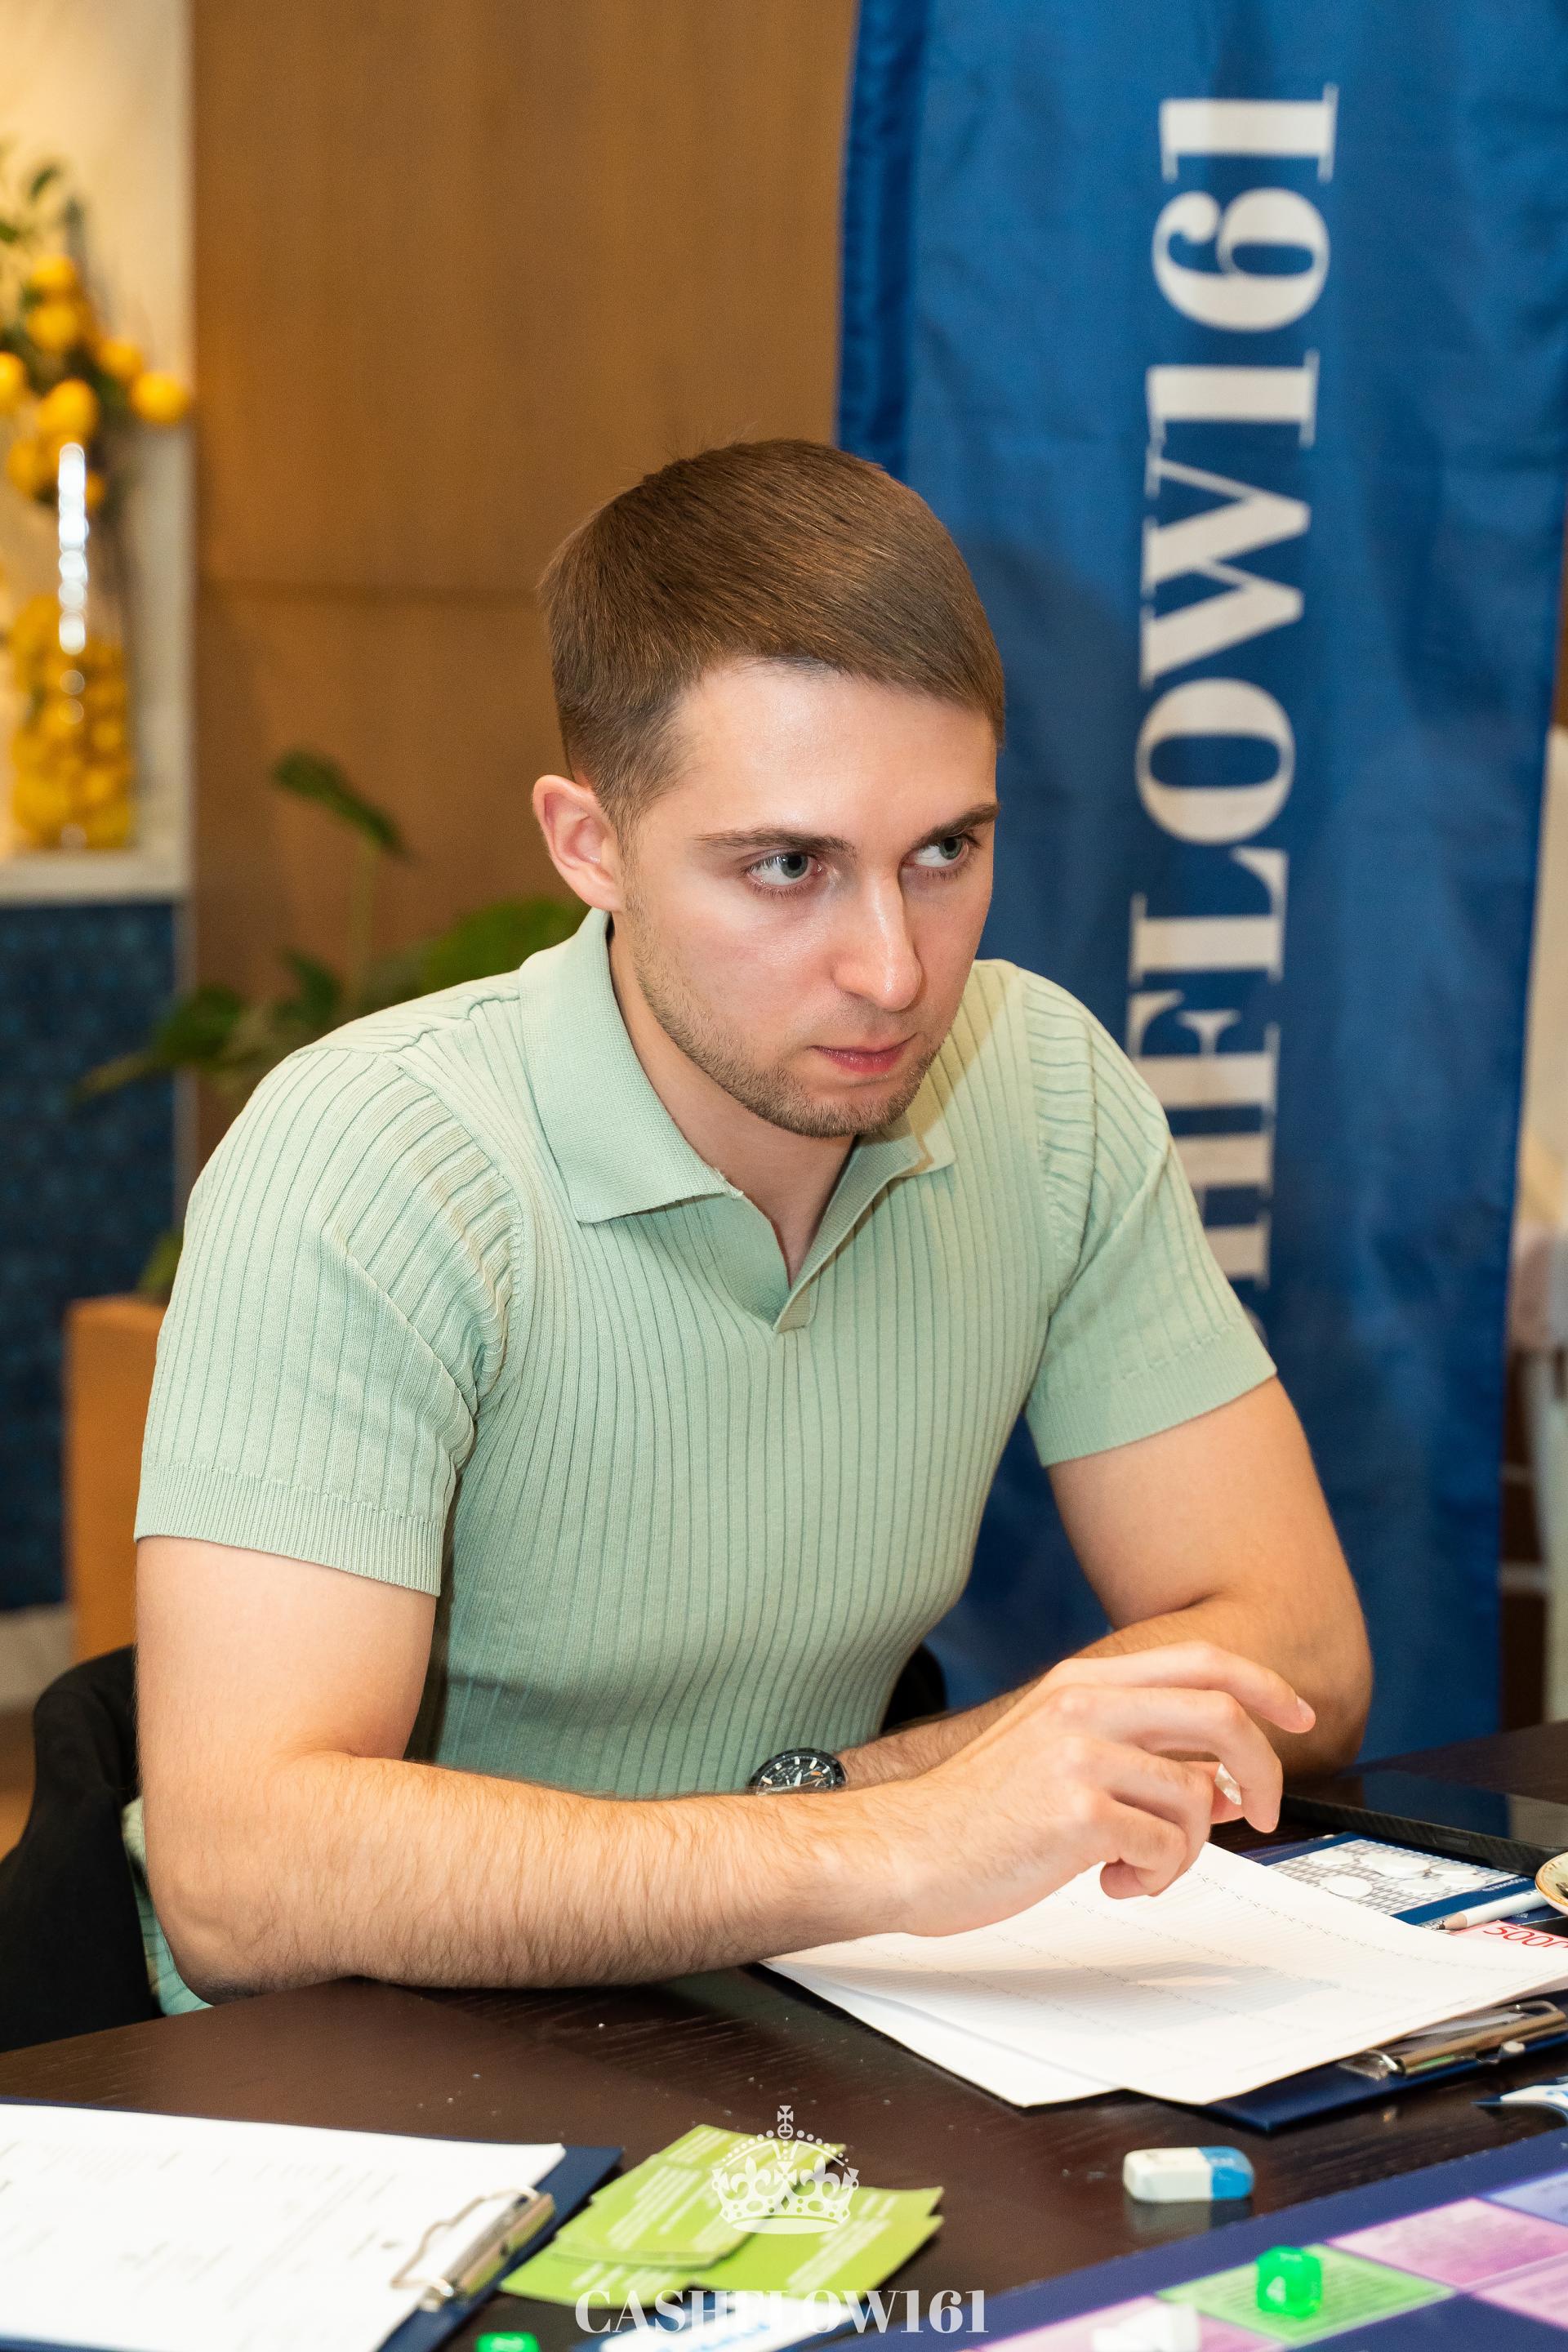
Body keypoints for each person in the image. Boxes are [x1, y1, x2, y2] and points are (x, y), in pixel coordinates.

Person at [128, 439, 1370, 2013]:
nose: (893, 971)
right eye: (789, 866)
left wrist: (863, 1805)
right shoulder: (370, 1158)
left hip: (800, 1994)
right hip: (367, 2050)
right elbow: (242, 1880)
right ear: (590, 846)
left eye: (945, 852)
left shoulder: (1043, 1088)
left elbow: (1302, 1655)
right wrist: (901, 1835)